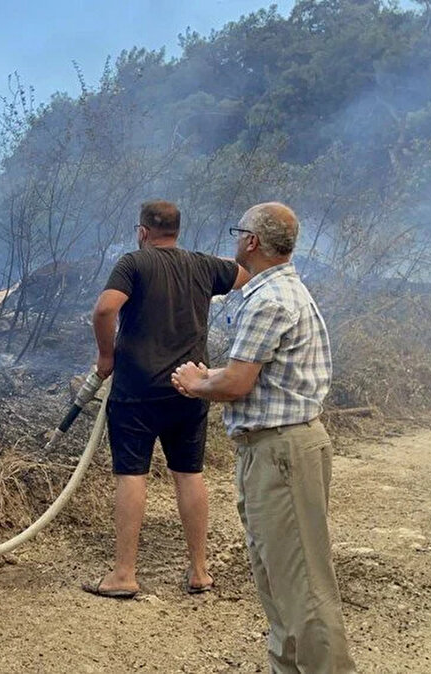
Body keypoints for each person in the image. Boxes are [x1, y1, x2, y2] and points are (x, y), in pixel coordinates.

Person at [172, 202, 355, 673]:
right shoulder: (279, 292)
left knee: (304, 587)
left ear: (251, 241)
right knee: (278, 578)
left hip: (281, 452)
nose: (236, 241)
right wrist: (213, 375)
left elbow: (237, 383)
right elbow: (260, 374)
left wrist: (198, 383)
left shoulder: (269, 300)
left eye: (239, 233)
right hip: (275, 450)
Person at [81, 200, 249, 600]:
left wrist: (106, 356)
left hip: (137, 391)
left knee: (132, 475)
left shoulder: (134, 263)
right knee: (189, 474)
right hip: (190, 387)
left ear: (142, 231)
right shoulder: (205, 265)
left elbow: (105, 308)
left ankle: (124, 574)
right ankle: (199, 571)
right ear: (177, 230)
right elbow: (247, 272)